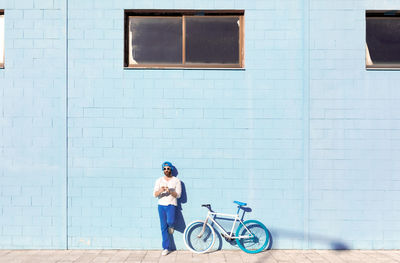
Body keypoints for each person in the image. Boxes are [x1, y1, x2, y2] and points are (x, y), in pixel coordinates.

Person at [153, 161, 182, 256]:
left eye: (168, 168)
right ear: (163, 170)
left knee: (170, 221)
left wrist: (170, 191)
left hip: (171, 204)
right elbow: (155, 194)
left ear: (171, 169)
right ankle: (166, 248)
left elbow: (178, 195)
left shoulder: (176, 181)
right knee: (163, 227)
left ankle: (171, 226)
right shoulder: (159, 180)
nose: (166, 170)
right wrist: (161, 190)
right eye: (164, 169)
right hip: (161, 205)